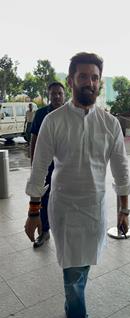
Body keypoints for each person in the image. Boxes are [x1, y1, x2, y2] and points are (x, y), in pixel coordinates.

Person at [25, 52, 130, 318]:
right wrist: (33, 211)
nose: (90, 82)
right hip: (64, 209)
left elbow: (121, 169)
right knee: (73, 275)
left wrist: (124, 210)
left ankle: (72, 307)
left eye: (95, 77)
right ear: (71, 81)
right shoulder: (54, 121)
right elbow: (39, 168)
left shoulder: (109, 124)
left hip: (94, 210)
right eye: (83, 76)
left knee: (81, 270)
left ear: (99, 83)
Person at [30, 81, 65, 248]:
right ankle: (44, 231)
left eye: (60, 93)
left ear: (64, 95)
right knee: (43, 197)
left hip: (66, 166)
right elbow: (34, 139)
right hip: (46, 164)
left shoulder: (72, 113)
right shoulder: (41, 114)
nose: (57, 96)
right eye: (53, 94)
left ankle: (66, 230)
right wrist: (33, 164)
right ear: (48, 96)